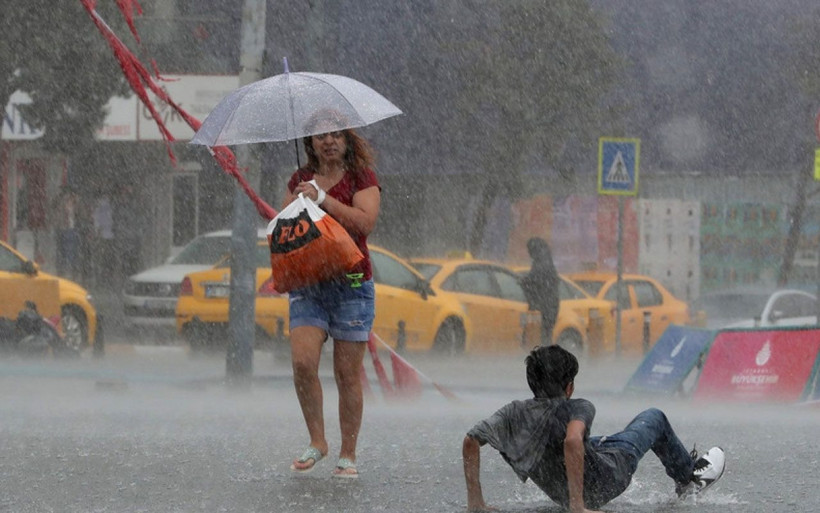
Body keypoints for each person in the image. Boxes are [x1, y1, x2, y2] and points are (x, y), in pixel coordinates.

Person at [462, 345, 726, 512]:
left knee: (597, 441)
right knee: (653, 418)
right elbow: (572, 442)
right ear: (569, 387)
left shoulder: (513, 413)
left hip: (561, 492)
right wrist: (578, 507)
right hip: (607, 480)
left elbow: (471, 440)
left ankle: (590, 475)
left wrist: (476, 502)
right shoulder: (578, 407)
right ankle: (688, 481)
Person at [283, 110, 381, 479]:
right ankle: (317, 441)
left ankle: (348, 454)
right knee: (303, 363)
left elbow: (364, 222)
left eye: (336, 134)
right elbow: (283, 229)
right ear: (310, 144)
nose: (328, 141)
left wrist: (323, 198)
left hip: (353, 284)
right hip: (309, 284)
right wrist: (296, 205)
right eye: (320, 135)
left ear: (346, 139)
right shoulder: (299, 179)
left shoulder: (361, 178)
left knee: (347, 374)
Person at [520, 237, 560, 345]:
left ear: (533, 249)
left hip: (544, 307)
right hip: (549, 306)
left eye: (529, 251)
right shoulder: (545, 259)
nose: (529, 254)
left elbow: (535, 279)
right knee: (544, 337)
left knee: (539, 338)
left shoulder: (542, 262)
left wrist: (524, 282)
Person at [51, 185, 81, 280]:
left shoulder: (62, 200)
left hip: (65, 229)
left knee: (65, 251)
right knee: (67, 251)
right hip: (66, 229)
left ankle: (64, 270)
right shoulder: (66, 201)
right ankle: (66, 271)